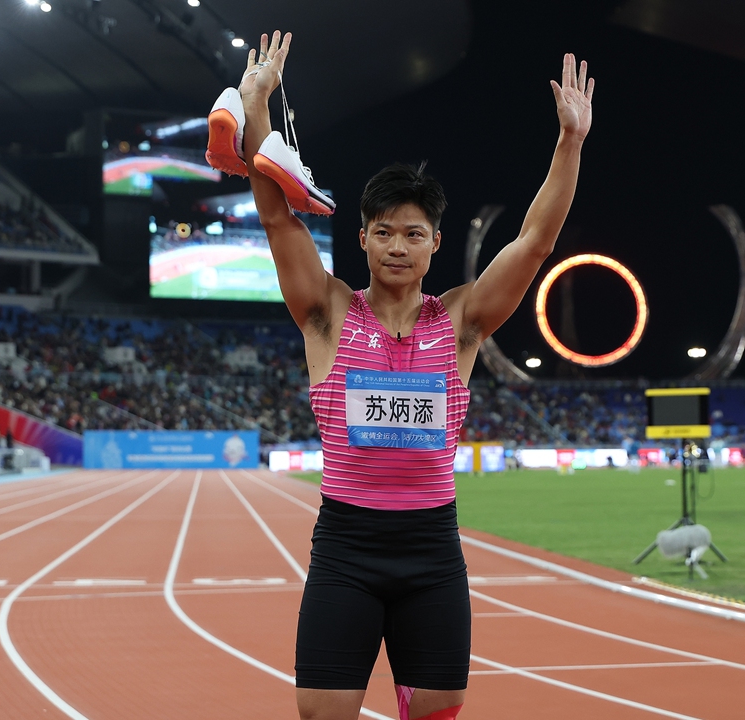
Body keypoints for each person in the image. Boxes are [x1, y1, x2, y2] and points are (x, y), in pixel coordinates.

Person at [226, 31, 593, 720]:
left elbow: (536, 241)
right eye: (385, 231)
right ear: (362, 237)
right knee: (321, 710)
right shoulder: (327, 313)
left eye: (413, 232)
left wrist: (570, 141)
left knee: (437, 707)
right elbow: (277, 218)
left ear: (435, 244)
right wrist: (256, 107)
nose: (398, 245)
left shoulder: (460, 322)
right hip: (346, 549)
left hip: (431, 550)